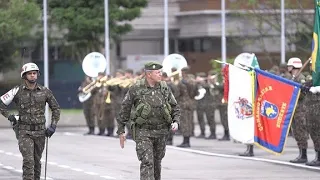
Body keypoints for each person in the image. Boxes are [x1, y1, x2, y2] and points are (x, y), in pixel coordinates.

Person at [117, 62, 181, 180]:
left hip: (161, 131)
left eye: (161, 72)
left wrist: (176, 121)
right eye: (157, 72)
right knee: (147, 162)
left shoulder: (164, 88)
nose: (160, 74)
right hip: (143, 132)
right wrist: (121, 131)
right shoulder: (136, 88)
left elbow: (175, 107)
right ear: (149, 74)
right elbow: (124, 110)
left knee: (157, 163)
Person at [0, 62, 60, 180]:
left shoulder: (45, 91)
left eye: (35, 73)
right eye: (30, 74)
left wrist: (53, 125)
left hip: (40, 133)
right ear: (24, 76)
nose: (33, 75)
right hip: (24, 132)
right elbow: (1, 103)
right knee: (28, 161)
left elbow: (56, 108)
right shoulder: (17, 91)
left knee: (37, 162)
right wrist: (9, 116)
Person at [286, 57, 309, 163]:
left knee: (301, 132)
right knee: (296, 132)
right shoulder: (293, 78)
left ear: (294, 66)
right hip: (294, 109)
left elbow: (303, 94)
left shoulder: (301, 78)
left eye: (289, 65)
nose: (288, 67)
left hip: (301, 109)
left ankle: (304, 155)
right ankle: (300, 153)